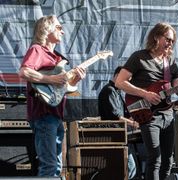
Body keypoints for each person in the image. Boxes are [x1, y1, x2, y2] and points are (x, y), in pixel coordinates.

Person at [19, 15, 86, 177]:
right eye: (58, 27)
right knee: (49, 166)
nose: (62, 31)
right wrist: (52, 78)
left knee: (56, 166)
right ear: (46, 29)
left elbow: (65, 88)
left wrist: (76, 79)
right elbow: (24, 72)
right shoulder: (37, 50)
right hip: (43, 115)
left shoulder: (57, 58)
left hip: (55, 116)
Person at [115, 22, 178, 180]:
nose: (170, 43)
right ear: (156, 37)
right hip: (149, 115)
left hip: (168, 115)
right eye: (168, 39)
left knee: (168, 160)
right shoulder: (139, 57)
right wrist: (145, 94)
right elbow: (120, 82)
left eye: (173, 41)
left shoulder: (171, 62)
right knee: (155, 158)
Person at [98, 66, 139, 179]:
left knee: (128, 168)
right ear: (117, 76)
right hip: (113, 136)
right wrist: (133, 124)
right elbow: (115, 116)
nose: (125, 84)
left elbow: (125, 114)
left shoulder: (117, 92)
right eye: (125, 80)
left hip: (118, 135)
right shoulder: (109, 91)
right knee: (129, 168)